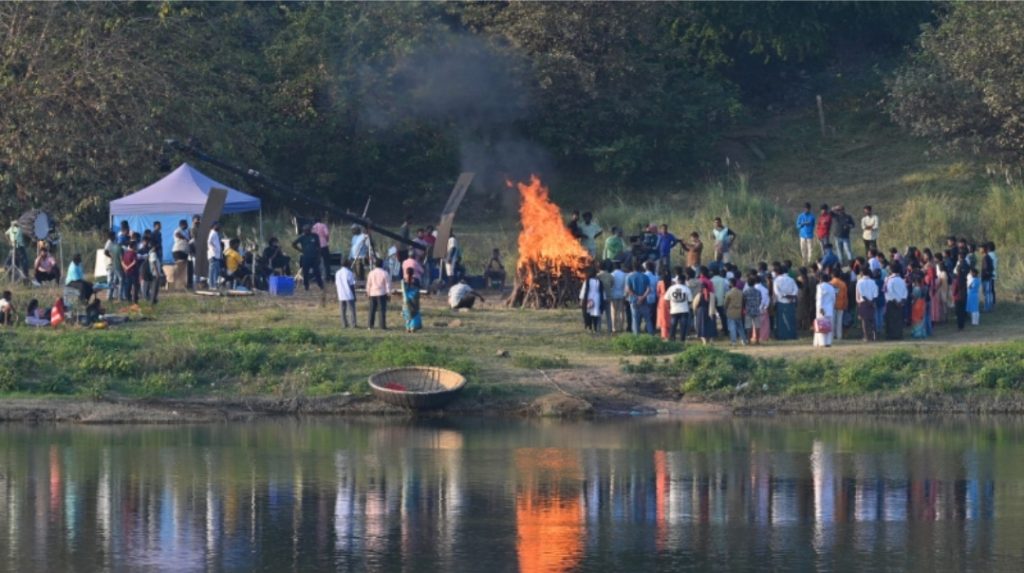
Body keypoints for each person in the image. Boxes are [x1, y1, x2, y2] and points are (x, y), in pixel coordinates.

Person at [292, 225, 323, 291]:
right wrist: (300, 250)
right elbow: (293, 244)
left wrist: (319, 255)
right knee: (305, 272)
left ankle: (321, 285)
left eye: (307, 230)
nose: (306, 231)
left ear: (310, 230)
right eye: (305, 230)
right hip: (306, 257)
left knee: (317, 272)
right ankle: (306, 286)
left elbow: (319, 246)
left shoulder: (315, 236)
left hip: (314, 257)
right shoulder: (302, 237)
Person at [772, 264, 799, 340]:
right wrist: (791, 296)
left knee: (781, 320)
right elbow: (796, 290)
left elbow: (777, 292)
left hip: (781, 302)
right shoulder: (791, 279)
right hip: (791, 301)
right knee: (791, 319)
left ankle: (782, 335)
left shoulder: (776, 280)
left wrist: (784, 296)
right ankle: (791, 335)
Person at [663, 273, 692, 343]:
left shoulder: (671, 288)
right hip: (684, 310)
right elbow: (690, 300)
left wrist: (669, 307)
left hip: (674, 310)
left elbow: (666, 299)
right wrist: (685, 304)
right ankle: (682, 340)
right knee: (683, 326)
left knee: (673, 326)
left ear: (678, 280)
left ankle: (671, 339)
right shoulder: (686, 289)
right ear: (684, 281)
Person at [624, 262, 651, 335]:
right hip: (644, 301)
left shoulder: (629, 277)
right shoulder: (645, 276)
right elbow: (648, 289)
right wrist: (642, 297)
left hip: (634, 300)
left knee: (635, 319)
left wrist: (637, 297)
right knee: (648, 319)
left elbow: (628, 289)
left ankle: (636, 336)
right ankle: (651, 335)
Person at [883, 264, 908, 340]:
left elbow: (889, 292)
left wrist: (895, 301)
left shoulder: (890, 280)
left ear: (891, 270)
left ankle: (891, 335)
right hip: (900, 302)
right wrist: (902, 301)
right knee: (899, 319)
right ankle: (899, 335)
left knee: (891, 320)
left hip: (892, 302)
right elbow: (905, 291)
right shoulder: (902, 280)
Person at [366, 259, 391, 329]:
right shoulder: (385, 273)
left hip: (372, 293)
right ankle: (382, 326)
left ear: (375, 265)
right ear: (382, 264)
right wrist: (388, 294)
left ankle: (370, 326)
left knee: (372, 310)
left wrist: (368, 292)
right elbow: (387, 285)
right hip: (381, 294)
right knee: (382, 310)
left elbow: (368, 284)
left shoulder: (371, 273)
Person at [855, 267, 879, 342]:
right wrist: (872, 301)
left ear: (862, 273)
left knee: (864, 320)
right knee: (872, 319)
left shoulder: (860, 282)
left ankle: (866, 336)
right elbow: (876, 293)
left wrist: (863, 301)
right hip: (872, 301)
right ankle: (874, 336)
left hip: (863, 302)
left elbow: (860, 294)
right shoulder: (873, 282)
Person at [814, 273, 836, 347]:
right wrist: (831, 307)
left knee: (821, 326)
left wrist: (820, 308)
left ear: (821, 279)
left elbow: (819, 298)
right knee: (829, 326)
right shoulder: (832, 287)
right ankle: (828, 342)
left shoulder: (820, 287)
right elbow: (833, 299)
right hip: (830, 309)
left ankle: (822, 343)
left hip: (822, 309)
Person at [579, 267, 604, 332]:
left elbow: (584, 290)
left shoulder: (587, 281)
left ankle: (589, 327)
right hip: (597, 298)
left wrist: (581, 299)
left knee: (588, 313)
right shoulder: (599, 281)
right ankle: (595, 327)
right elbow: (601, 291)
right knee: (595, 314)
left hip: (589, 298)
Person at [723, 279, 747, 345]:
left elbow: (725, 303)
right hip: (739, 311)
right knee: (740, 327)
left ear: (731, 284)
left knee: (732, 327)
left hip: (731, 312)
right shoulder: (741, 292)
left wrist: (725, 310)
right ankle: (744, 340)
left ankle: (733, 341)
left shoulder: (729, 293)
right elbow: (743, 302)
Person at [335, 259, 357, 328]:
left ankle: (344, 324)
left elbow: (336, 283)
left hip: (341, 293)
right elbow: (351, 285)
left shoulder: (337, 273)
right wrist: (354, 295)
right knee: (352, 310)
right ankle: (353, 324)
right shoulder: (349, 273)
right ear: (347, 264)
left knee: (342, 310)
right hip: (349, 293)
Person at [743, 277, 764, 344]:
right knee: (757, 326)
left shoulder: (745, 292)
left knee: (748, 326)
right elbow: (760, 300)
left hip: (748, 310)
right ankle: (757, 340)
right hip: (756, 310)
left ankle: (749, 340)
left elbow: (743, 301)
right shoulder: (758, 291)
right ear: (754, 283)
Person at [401, 267, 422, 333]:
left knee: (407, 313)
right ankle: (413, 327)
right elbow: (418, 289)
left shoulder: (403, 281)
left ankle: (408, 328)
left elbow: (403, 291)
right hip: (414, 299)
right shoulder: (416, 280)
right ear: (413, 273)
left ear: (406, 272)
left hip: (406, 299)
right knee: (414, 313)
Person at [829, 271, 849, 341]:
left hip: (832, 304)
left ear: (832, 275)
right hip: (841, 304)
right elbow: (845, 296)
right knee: (839, 321)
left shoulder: (830, 283)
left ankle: (832, 335)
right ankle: (839, 336)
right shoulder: (843, 284)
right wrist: (846, 304)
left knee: (832, 320)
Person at [609, 261, 627, 333]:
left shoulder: (612, 274)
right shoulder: (624, 274)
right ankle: (621, 326)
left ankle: (614, 327)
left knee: (614, 311)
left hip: (614, 294)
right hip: (622, 294)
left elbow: (611, 285)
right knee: (621, 311)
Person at [596, 261, 614, 334]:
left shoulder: (597, 276)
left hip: (600, 298)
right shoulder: (610, 276)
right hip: (608, 296)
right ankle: (609, 329)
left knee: (599, 314)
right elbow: (612, 284)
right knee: (608, 315)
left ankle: (598, 330)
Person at [142, 239, 161, 303]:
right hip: (155, 273)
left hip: (154, 273)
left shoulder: (150, 252)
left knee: (154, 288)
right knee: (154, 288)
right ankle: (152, 301)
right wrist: (157, 273)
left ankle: (153, 300)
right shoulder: (153, 253)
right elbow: (154, 263)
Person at [654, 272, 671, 339]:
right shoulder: (671, 282)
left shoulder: (660, 283)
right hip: (670, 300)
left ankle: (664, 334)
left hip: (662, 300)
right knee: (669, 317)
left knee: (663, 317)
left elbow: (657, 293)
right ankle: (669, 333)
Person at [207, 221, 223, 288]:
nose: (219, 226)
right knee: (212, 271)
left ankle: (214, 285)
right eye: (217, 225)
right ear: (214, 226)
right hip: (213, 254)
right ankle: (211, 285)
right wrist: (213, 247)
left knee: (216, 270)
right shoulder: (212, 232)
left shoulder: (216, 233)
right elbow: (209, 241)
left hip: (216, 255)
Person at [980, 243, 995, 313]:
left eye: (981, 248)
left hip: (987, 279)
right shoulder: (987, 257)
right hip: (986, 278)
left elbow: (988, 269)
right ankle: (987, 307)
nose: (979, 250)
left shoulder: (986, 258)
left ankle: (987, 308)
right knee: (986, 293)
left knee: (987, 293)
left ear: (984, 249)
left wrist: (986, 274)